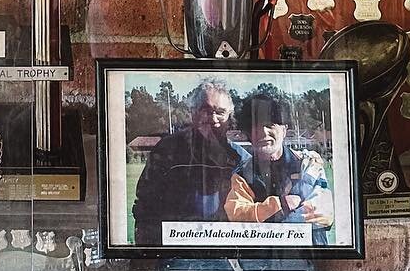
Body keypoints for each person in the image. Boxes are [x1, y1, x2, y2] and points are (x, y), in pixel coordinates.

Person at [132, 81, 244, 246]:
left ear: (230, 118)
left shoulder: (240, 159)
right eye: (206, 110)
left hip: (223, 255)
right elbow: (145, 208)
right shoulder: (167, 151)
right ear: (193, 113)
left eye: (220, 112)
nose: (213, 119)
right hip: (176, 254)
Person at [225, 89, 336, 237]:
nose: (263, 132)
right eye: (255, 126)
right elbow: (237, 217)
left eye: (270, 124)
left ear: (284, 130)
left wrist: (266, 223)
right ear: (248, 134)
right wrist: (281, 205)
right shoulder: (241, 176)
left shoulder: (308, 162)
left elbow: (323, 213)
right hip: (263, 259)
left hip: (308, 257)